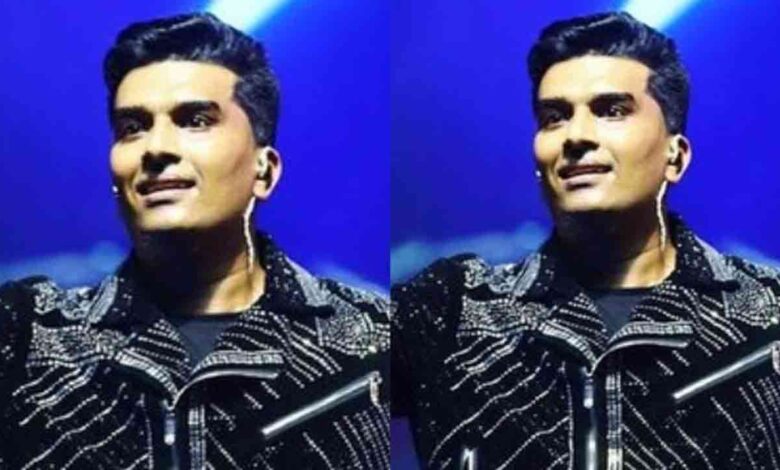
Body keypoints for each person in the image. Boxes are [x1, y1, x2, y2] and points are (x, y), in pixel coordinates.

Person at [0, 13, 389, 469]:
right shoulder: (29, 337)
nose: (155, 148)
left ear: (264, 171)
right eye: (132, 127)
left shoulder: (372, 340)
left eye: (196, 120)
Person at [392, 11, 780, 469]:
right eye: (554, 117)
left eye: (611, 110)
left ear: (675, 156)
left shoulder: (766, 318)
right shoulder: (452, 310)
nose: (575, 136)